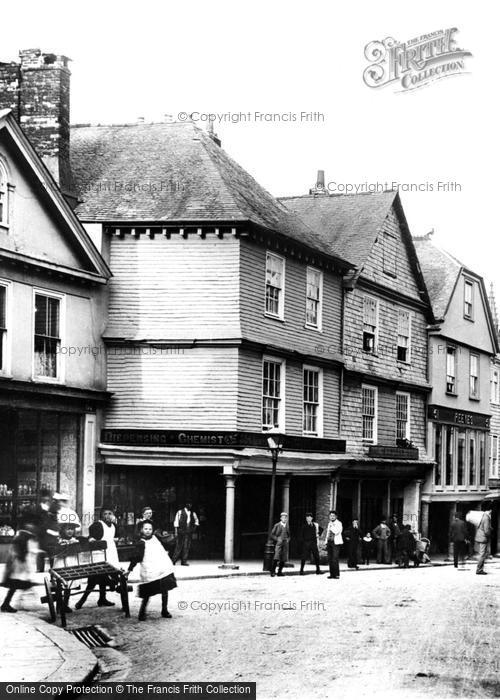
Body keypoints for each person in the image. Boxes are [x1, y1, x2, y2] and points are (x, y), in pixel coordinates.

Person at [127, 520, 177, 621]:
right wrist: (129, 569)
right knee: (147, 592)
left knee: (165, 589)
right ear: (141, 530)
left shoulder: (155, 538)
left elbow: (167, 543)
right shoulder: (141, 543)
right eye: (146, 529)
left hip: (162, 568)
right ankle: (142, 612)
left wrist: (171, 538)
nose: (148, 531)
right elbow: (136, 557)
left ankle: (164, 610)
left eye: (150, 529)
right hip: (150, 569)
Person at [75, 508, 119, 609]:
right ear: (101, 515)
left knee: (106, 577)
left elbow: (116, 535)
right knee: (94, 580)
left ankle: (102, 598)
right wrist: (91, 538)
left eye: (110, 513)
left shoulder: (113, 526)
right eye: (105, 514)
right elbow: (91, 534)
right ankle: (82, 600)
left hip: (111, 553)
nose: (107, 516)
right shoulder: (98, 525)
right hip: (99, 555)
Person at [1, 515, 40, 613]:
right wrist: (23, 563)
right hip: (19, 565)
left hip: (18, 565)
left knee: (17, 585)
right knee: (17, 584)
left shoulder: (21, 536)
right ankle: (8, 604)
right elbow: (21, 552)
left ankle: (11, 603)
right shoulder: (23, 537)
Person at [172, 500, 199, 566]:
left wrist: (193, 529)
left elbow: (196, 521)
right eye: (188, 504)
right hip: (180, 531)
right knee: (179, 546)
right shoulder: (180, 512)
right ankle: (173, 561)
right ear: (185, 504)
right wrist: (176, 532)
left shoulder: (193, 513)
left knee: (186, 546)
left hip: (188, 532)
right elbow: (176, 522)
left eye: (191, 504)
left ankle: (184, 561)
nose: (190, 505)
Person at [324, 510, 343, 579]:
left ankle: (337, 574)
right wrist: (326, 541)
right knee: (330, 558)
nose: (331, 517)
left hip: (336, 542)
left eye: (333, 516)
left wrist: (332, 526)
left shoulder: (339, 523)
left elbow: (337, 531)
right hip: (330, 542)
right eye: (330, 516)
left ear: (336, 516)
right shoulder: (329, 523)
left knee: (335, 558)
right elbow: (327, 533)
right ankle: (332, 574)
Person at [270, 512, 290, 577]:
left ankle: (279, 572)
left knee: (283, 558)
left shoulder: (287, 525)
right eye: (283, 517)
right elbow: (272, 534)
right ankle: (273, 571)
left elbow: (289, 535)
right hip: (279, 543)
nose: (284, 519)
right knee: (276, 557)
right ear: (281, 518)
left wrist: (288, 540)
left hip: (285, 544)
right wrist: (277, 539)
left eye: (286, 518)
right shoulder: (277, 525)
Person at [475, 501, 492, 576]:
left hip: (480, 536)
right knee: (482, 554)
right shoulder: (486, 517)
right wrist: (490, 534)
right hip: (483, 538)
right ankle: (479, 569)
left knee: (481, 554)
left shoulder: (482, 516)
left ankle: (480, 569)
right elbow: (486, 530)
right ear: (490, 510)